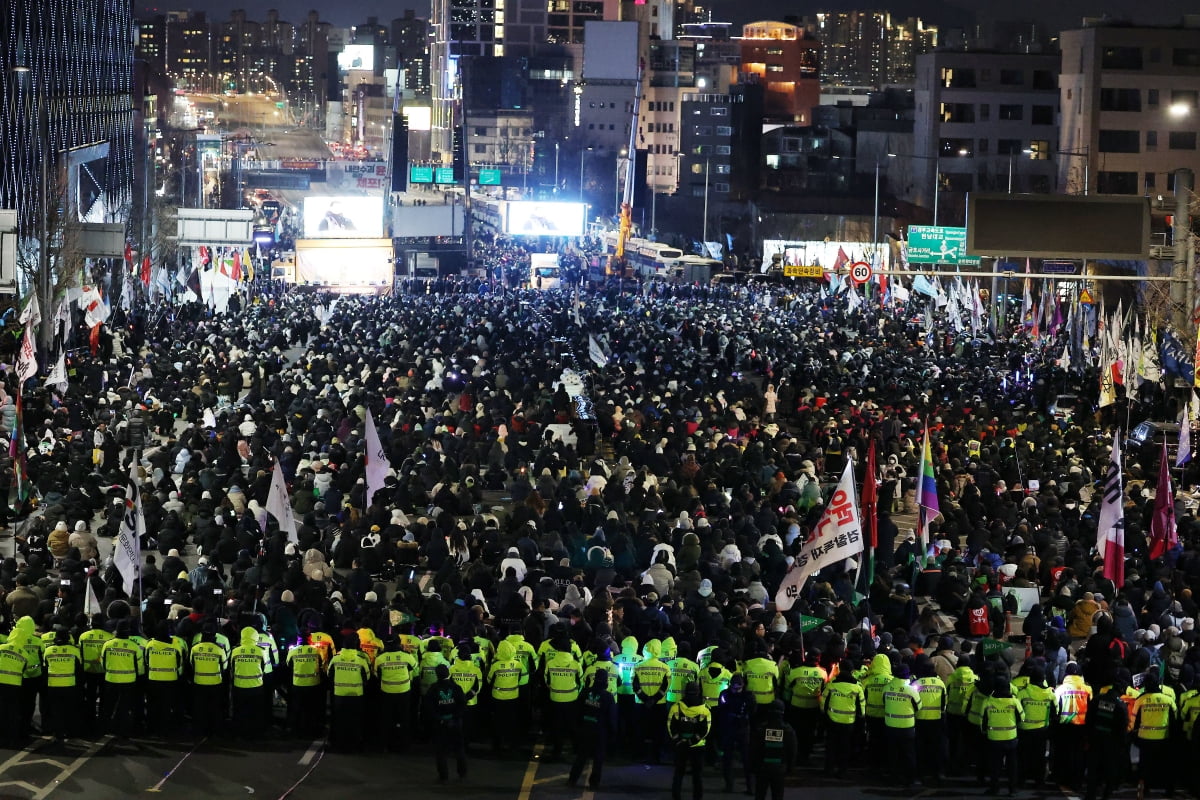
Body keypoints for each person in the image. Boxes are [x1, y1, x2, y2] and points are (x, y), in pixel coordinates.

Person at [1085, 674, 1130, 800]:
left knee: (1093, 770)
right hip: (1111, 743)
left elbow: (1089, 720)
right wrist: (1122, 745)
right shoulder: (1120, 706)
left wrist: (1088, 738)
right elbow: (1122, 728)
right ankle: (1106, 795)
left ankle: (1090, 795)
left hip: (1095, 740)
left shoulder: (1098, 699)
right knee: (1110, 771)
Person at [1133, 672, 1177, 797]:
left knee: (1145, 767)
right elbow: (1175, 719)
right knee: (1163, 764)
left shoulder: (1140, 700)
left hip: (1144, 739)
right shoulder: (1168, 700)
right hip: (1163, 738)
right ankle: (1166, 790)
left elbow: (1134, 720)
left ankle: (1144, 790)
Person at [569, 669, 614, 789]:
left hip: (585, 729)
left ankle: (572, 779)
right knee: (598, 759)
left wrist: (577, 728)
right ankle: (594, 783)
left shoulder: (585, 692)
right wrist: (612, 734)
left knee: (581, 756)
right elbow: (611, 718)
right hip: (600, 731)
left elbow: (577, 711)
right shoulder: (608, 697)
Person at [423, 663, 467, 782]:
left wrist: (439, 718)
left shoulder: (433, 689)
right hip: (455, 722)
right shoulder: (456, 687)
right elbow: (462, 704)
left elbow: (428, 707)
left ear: (437, 675)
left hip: (440, 723)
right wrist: (455, 717)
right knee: (459, 749)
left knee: (441, 751)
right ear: (448, 674)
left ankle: (443, 776)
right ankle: (462, 773)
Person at [667, 682, 711, 800]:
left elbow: (671, 725)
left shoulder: (676, 706)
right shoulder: (704, 709)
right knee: (697, 776)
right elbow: (705, 730)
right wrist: (692, 741)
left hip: (680, 745)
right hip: (698, 746)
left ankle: (676, 797)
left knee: (679, 773)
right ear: (698, 692)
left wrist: (678, 740)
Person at [101, 619, 144, 737]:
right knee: (124, 707)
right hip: (128, 681)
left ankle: (105, 728)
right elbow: (139, 665)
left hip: (110, 679)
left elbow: (103, 662)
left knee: (108, 706)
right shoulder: (134, 647)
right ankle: (122, 731)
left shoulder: (107, 644)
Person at [980, 678, 1024, 796]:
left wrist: (985, 732)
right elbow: (1022, 718)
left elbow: (982, 721)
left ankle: (994, 788)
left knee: (995, 766)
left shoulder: (988, 701)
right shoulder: (1014, 701)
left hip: (994, 739)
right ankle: (1012, 790)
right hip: (1011, 738)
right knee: (1012, 765)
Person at [541, 634, 582, 759]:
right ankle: (576, 748)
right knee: (572, 726)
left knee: (557, 726)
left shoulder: (551, 663)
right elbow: (581, 683)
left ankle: (557, 751)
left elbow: (547, 681)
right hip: (571, 699)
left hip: (555, 698)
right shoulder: (575, 664)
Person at [821, 661, 865, 778]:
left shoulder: (832, 684)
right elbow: (862, 708)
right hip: (849, 722)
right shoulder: (857, 687)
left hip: (832, 720)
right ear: (852, 671)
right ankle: (842, 771)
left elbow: (823, 703)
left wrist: (825, 716)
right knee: (845, 747)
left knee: (831, 746)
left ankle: (829, 770)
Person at [373, 636, 417, 751]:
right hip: (404, 691)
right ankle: (404, 745)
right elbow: (415, 670)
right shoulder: (407, 656)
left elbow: (376, 674)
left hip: (387, 691)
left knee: (386, 719)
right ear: (399, 644)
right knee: (404, 718)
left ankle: (385, 745)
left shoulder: (380, 658)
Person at [328, 634, 370, 752]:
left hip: (339, 695)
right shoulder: (361, 660)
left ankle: (339, 745)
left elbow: (329, 675)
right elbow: (367, 677)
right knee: (355, 722)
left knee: (339, 721)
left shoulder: (335, 659)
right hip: (356, 696)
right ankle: (355, 745)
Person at [882, 663, 922, 788]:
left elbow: (884, 703)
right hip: (907, 727)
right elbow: (918, 707)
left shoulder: (887, 688)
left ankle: (893, 778)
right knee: (909, 754)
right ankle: (911, 779)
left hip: (890, 726)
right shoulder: (911, 690)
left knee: (893, 753)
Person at [1053, 663, 1092, 789]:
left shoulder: (1060, 690)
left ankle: (1064, 779)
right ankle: (1078, 781)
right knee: (1080, 754)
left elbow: (1055, 709)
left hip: (1065, 726)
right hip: (1082, 727)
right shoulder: (1087, 690)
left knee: (1065, 753)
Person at [782, 650, 825, 764]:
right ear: (818, 659)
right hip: (813, 707)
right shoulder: (822, 673)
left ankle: (795, 754)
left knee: (796, 732)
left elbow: (787, 688)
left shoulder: (795, 672)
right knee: (810, 732)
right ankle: (806, 754)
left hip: (797, 706)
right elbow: (824, 690)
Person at [748, 700, 796, 800]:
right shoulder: (788, 730)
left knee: (760, 795)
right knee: (777, 795)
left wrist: (753, 767)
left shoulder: (761, 729)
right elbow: (792, 750)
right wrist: (790, 767)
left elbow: (753, 750)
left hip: (762, 768)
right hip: (779, 768)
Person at [1015, 664, 1055, 786]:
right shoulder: (1049, 694)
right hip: (1042, 730)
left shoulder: (1022, 693)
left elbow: (1016, 711)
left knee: (1023, 755)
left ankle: (1021, 779)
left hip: (1024, 729)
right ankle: (1039, 780)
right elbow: (1055, 712)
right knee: (1039, 756)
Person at [144, 622, 184, 738]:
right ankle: (164, 730)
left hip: (153, 679)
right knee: (166, 706)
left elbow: (146, 661)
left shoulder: (150, 644)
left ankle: (151, 729)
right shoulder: (175, 645)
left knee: (152, 705)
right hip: (170, 680)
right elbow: (179, 663)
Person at [911, 657, 947, 785]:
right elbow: (944, 704)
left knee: (920, 749)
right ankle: (938, 773)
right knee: (937, 749)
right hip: (936, 720)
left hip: (920, 720)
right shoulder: (940, 683)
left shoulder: (916, 684)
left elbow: (912, 702)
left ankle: (920, 775)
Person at [633, 639, 670, 763]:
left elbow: (635, 685)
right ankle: (657, 756)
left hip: (641, 704)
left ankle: (640, 755)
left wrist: (645, 698)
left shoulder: (638, 666)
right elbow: (666, 686)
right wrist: (654, 700)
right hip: (659, 704)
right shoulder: (665, 667)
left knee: (641, 731)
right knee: (658, 732)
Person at [42, 628, 81, 742]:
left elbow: (45, 669)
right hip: (70, 684)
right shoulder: (74, 650)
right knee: (69, 710)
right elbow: (79, 669)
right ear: (68, 638)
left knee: (56, 710)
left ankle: (58, 733)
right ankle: (69, 732)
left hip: (53, 685)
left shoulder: (48, 651)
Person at [718, 673, 755, 793]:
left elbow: (753, 710)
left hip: (743, 729)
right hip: (729, 728)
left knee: (746, 759)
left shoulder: (748, 696)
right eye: (734, 687)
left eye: (738, 687)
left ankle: (750, 787)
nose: (736, 690)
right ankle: (729, 785)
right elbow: (721, 710)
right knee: (727, 759)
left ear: (743, 686)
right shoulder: (725, 694)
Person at [486, 638, 524, 755]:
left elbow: (489, 680)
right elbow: (521, 678)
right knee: (512, 721)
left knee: (498, 722)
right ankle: (512, 745)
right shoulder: (518, 664)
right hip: (513, 697)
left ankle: (497, 745)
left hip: (498, 697)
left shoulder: (496, 665)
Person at [190, 628, 229, 738]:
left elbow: (191, 664)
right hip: (215, 683)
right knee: (215, 708)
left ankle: (199, 731)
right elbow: (225, 666)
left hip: (198, 682)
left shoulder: (195, 648)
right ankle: (215, 731)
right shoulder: (219, 649)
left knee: (199, 708)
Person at [285, 634, 326, 739]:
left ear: (298, 639)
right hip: (313, 684)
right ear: (309, 639)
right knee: (311, 710)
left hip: (298, 683)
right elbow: (321, 665)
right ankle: (312, 732)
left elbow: (288, 665)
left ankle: (297, 732)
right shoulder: (316, 650)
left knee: (297, 709)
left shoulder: (293, 651)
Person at [230, 626, 267, 739]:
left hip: (239, 686)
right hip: (256, 686)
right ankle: (254, 734)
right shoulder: (261, 651)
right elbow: (263, 667)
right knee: (255, 712)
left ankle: (239, 734)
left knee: (239, 711)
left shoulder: (235, 651)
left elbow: (232, 668)